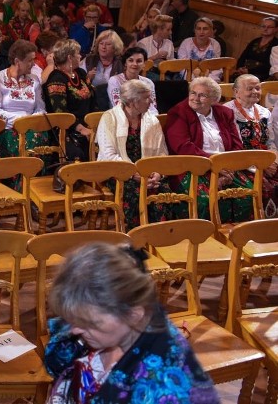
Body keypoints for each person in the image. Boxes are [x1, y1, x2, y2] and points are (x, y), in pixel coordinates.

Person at [45, 243, 219, 403]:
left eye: (89, 323)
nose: (74, 330)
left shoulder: (163, 387)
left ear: (133, 314)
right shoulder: (108, 328)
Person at [97, 79, 175, 229]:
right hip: (119, 172)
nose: (151, 101)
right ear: (132, 102)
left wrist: (157, 173)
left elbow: (162, 152)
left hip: (149, 173)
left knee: (162, 192)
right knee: (137, 193)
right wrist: (134, 174)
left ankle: (160, 238)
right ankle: (138, 237)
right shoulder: (109, 118)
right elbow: (108, 155)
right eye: (146, 97)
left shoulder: (152, 120)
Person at [165, 77, 244, 220]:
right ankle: (205, 238)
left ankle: (239, 237)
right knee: (205, 201)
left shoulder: (225, 113)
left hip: (226, 168)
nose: (195, 98)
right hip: (193, 167)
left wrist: (229, 166)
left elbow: (237, 144)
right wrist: (214, 165)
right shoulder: (178, 112)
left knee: (246, 194)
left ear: (214, 99)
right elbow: (183, 147)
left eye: (202, 95)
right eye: (193, 93)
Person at [225, 74, 278, 218]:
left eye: (258, 88)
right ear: (236, 92)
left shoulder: (264, 112)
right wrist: (259, 165)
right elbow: (233, 147)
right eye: (250, 88)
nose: (255, 92)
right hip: (241, 163)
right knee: (263, 187)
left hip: (266, 161)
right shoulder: (227, 112)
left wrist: (272, 161)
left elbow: (270, 142)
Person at [0, 39, 47, 158]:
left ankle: (35, 176)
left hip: (32, 127)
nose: (33, 64)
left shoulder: (34, 79)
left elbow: (41, 108)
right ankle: (21, 175)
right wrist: (21, 120)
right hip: (7, 128)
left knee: (37, 138)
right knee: (24, 142)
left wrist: (30, 122)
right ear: (17, 62)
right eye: (30, 60)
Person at [44, 39, 97, 160]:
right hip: (67, 130)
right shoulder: (56, 78)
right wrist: (81, 128)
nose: (80, 56)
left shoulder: (81, 73)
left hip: (88, 125)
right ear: (69, 58)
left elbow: (94, 99)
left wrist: (95, 124)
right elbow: (60, 112)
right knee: (78, 153)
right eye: (78, 53)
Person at [82, 30, 124, 110]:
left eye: (108, 44)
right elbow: (78, 84)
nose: (103, 47)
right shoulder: (88, 60)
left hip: (113, 102)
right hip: (91, 101)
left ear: (115, 48)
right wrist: (87, 78)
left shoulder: (121, 64)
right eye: (101, 44)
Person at [107, 47, 157, 113]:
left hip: (146, 119)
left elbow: (153, 107)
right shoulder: (115, 80)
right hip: (121, 118)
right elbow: (118, 106)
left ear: (144, 64)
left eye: (139, 61)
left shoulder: (148, 83)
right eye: (131, 60)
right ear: (125, 63)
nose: (135, 64)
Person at [235, 16, 278, 81]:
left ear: (276, 29)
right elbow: (242, 57)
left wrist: (250, 71)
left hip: (262, 74)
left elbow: (269, 66)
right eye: (263, 26)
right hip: (244, 71)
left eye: (269, 27)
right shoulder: (255, 41)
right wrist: (240, 68)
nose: (265, 29)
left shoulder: (276, 45)